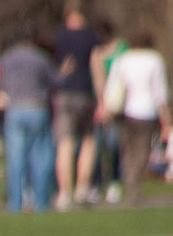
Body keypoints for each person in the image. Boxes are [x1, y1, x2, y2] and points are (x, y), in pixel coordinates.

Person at [101, 28, 171, 206]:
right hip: (146, 111)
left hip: (124, 111)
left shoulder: (122, 59)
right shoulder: (154, 60)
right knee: (142, 151)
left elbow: (112, 87)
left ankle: (129, 181)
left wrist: (106, 109)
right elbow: (159, 91)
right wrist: (165, 115)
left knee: (127, 150)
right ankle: (133, 184)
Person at [0, 26, 57, 212]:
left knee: (15, 158)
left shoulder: (5, 59)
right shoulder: (40, 58)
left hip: (14, 109)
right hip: (36, 107)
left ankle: (15, 202)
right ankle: (41, 202)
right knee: (40, 156)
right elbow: (54, 82)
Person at [53, 2, 99, 209]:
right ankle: (82, 187)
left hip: (63, 95)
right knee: (88, 141)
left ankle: (64, 193)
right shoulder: (90, 37)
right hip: (84, 93)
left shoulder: (59, 37)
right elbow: (96, 67)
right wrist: (102, 99)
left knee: (65, 143)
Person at [89, 18, 126, 203]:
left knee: (114, 146)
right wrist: (101, 105)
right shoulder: (96, 53)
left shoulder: (121, 50)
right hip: (99, 105)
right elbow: (97, 80)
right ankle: (95, 184)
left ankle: (115, 181)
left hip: (119, 105)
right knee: (96, 147)